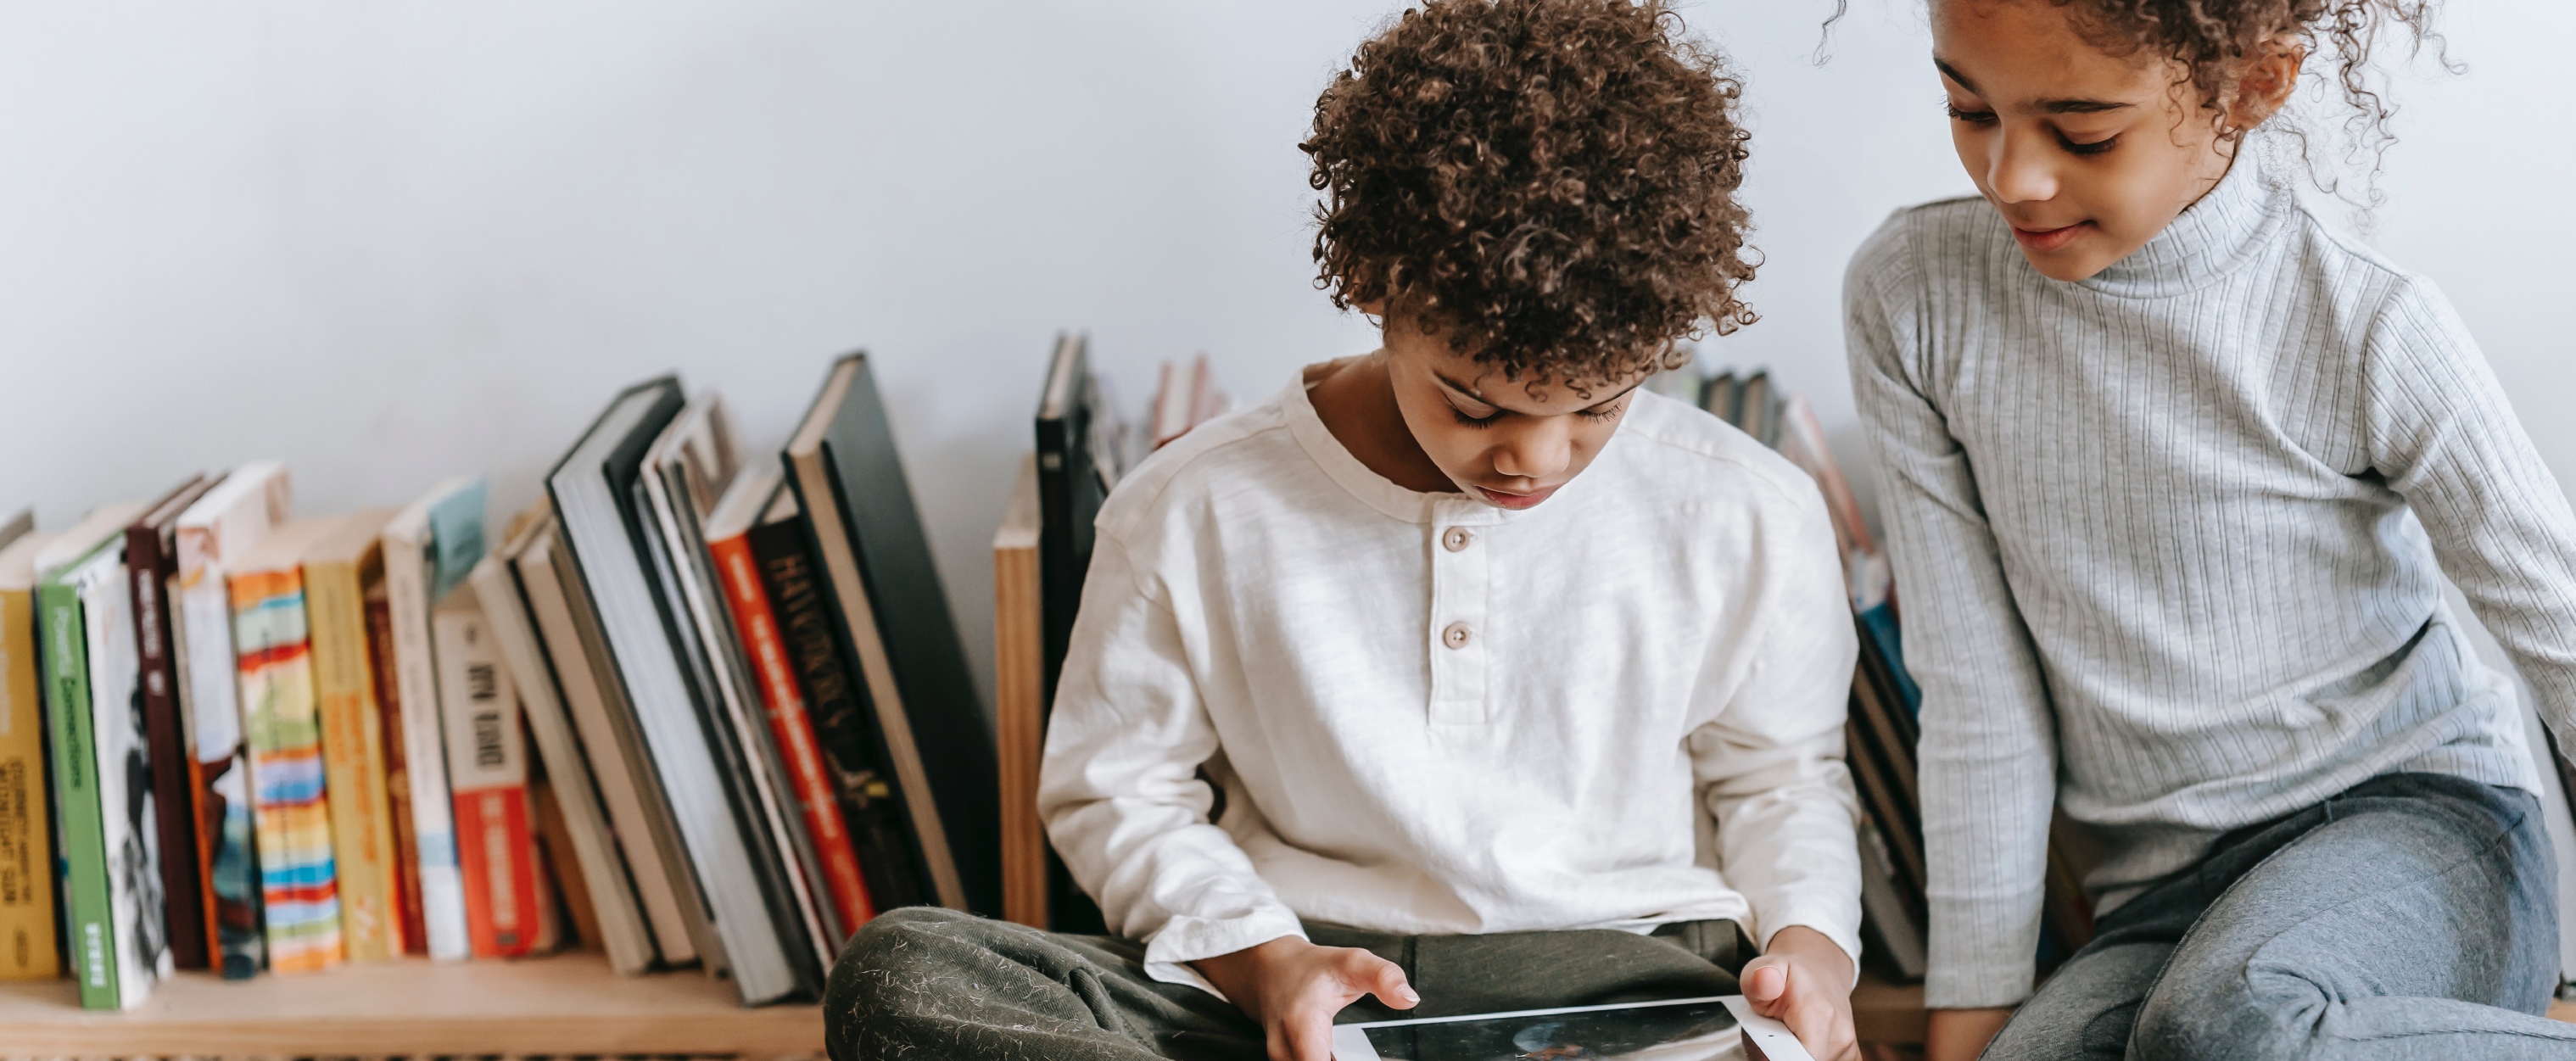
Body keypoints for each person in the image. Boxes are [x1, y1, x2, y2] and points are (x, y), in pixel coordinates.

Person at [830, 3, 1868, 1059]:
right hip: (1311, 976)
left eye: (1598, 406)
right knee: (904, 974)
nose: (1535, 459)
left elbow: (1779, 781)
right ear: (1379, 288)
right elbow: (1116, 790)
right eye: (1477, 406)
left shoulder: (1747, 508)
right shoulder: (1192, 505)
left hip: (1628, 979)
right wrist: (1266, 963)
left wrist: (1812, 953)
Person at [1846, 1, 2576, 1058]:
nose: (2012, 177)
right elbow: (1977, 693)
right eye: (1967, 108)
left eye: (2084, 133)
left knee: (2232, 1026)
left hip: (2420, 827)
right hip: (2159, 899)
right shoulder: (1912, 298)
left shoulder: (2363, 318)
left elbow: (2561, 627)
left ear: (2251, 88)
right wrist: (1974, 1010)